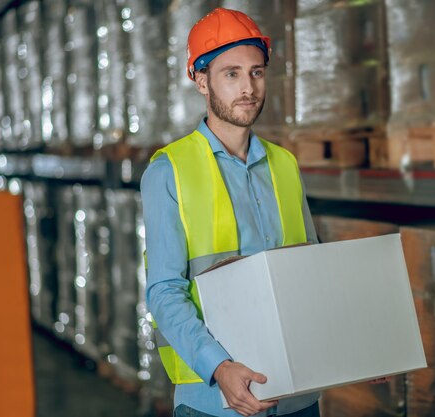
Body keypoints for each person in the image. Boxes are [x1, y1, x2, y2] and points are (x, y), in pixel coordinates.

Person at [141, 8, 320, 417]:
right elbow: (165, 290)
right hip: (215, 404)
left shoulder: (285, 165)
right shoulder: (169, 171)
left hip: (298, 396)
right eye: (232, 74)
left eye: (257, 72)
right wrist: (218, 367)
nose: (248, 88)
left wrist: (357, 344)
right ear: (201, 80)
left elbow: (312, 272)